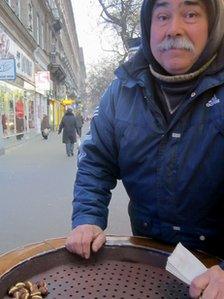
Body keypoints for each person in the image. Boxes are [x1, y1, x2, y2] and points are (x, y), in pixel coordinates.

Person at [66, 0, 224, 297]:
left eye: (190, 14)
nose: (173, 29)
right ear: (147, 27)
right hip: (149, 262)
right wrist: (87, 218)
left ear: (213, 24)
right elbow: (96, 162)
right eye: (162, 16)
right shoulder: (120, 92)